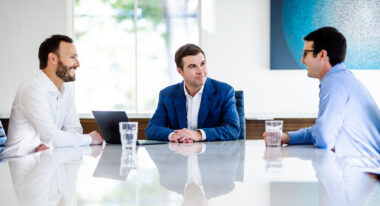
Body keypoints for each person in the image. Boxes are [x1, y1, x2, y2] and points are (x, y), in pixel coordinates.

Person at [264, 27, 380, 156]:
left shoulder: (334, 83)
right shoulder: (342, 79)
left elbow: (324, 138)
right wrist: (286, 137)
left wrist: (327, 138)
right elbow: (321, 131)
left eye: (305, 54)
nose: (302, 60)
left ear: (322, 55)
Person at [4, 35, 103, 156]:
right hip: (18, 165)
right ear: (53, 59)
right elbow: (50, 136)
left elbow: (74, 129)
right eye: (72, 57)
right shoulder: (31, 89)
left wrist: (52, 143)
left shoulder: (66, 90)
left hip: (46, 161)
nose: (78, 64)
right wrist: (90, 138)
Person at [145, 44, 240, 142]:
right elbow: (152, 129)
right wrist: (174, 135)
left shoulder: (224, 91)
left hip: (212, 155)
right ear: (180, 71)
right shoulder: (167, 95)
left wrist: (198, 135)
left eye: (203, 64)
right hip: (180, 154)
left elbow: (232, 129)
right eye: (192, 66)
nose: (201, 71)